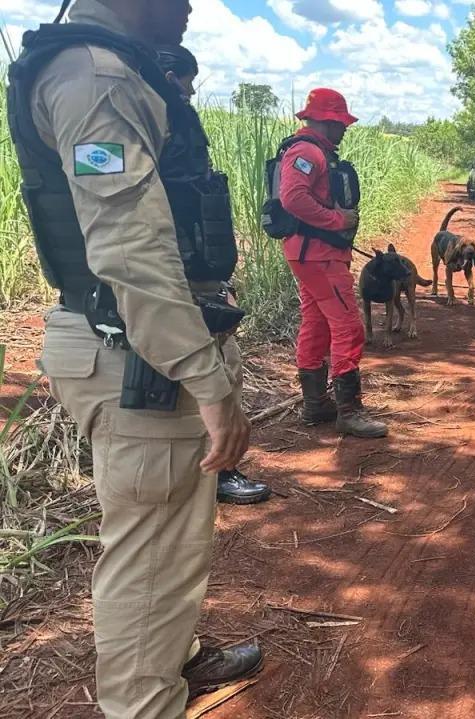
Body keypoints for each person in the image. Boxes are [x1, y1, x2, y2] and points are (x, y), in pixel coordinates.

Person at [8, 1, 264, 716]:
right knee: (152, 556)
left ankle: (174, 657)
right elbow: (130, 251)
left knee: (165, 545)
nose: (186, 7)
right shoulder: (96, 78)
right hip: (139, 358)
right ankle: (144, 700)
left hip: (136, 349)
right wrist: (208, 381)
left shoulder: (108, 70)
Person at [155, 44, 271, 506]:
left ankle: (210, 470)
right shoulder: (159, 125)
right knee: (218, 371)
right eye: (187, 82)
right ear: (170, 77)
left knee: (223, 367)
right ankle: (218, 472)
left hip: (193, 275)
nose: (190, 91)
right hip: (180, 280)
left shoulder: (163, 125)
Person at [278, 88, 388, 438]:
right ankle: (349, 411)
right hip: (319, 255)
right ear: (326, 122)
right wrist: (336, 220)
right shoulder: (307, 152)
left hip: (310, 254)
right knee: (348, 327)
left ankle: (315, 406)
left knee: (317, 324)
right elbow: (293, 197)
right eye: (341, 123)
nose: (345, 129)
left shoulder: (309, 151)